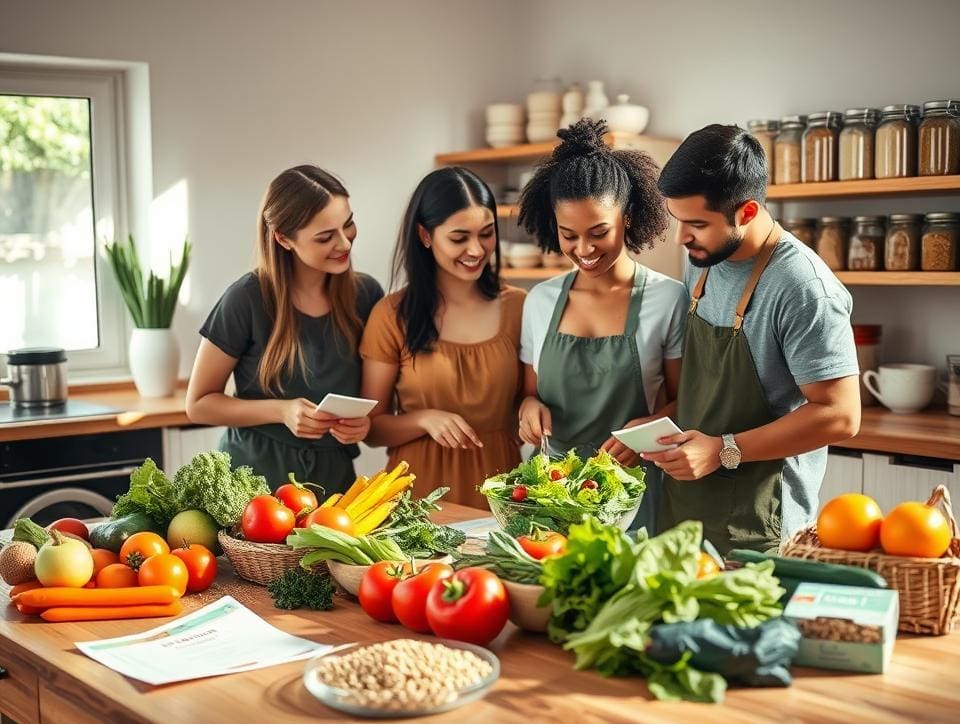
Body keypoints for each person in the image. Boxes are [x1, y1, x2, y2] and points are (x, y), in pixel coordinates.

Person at [648, 124, 861, 555]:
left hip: (758, 522)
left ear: (746, 212)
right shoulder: (704, 257)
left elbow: (841, 415)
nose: (680, 237)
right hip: (687, 505)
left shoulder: (803, 287)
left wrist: (723, 450)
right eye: (678, 220)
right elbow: (714, 385)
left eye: (695, 224)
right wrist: (659, 424)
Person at [515, 119, 687, 534]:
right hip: (550, 496)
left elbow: (686, 403)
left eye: (598, 232)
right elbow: (529, 393)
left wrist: (648, 429)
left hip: (631, 495)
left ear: (628, 218)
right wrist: (528, 409)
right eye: (568, 235)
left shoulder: (668, 299)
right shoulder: (540, 301)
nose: (584, 250)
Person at [186, 165, 383, 493]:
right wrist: (282, 411)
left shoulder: (367, 296)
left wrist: (363, 425)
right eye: (324, 236)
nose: (344, 242)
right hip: (251, 482)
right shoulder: (246, 298)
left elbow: (374, 401)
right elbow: (199, 403)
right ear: (283, 238)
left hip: (334, 482)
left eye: (348, 224)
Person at [360, 167, 525, 509]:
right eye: (459, 237)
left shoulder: (520, 307)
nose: (477, 249)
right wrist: (424, 419)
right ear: (424, 235)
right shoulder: (392, 315)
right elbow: (372, 429)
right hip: (417, 500)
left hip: (501, 495)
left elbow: (533, 400)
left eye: (487, 233)